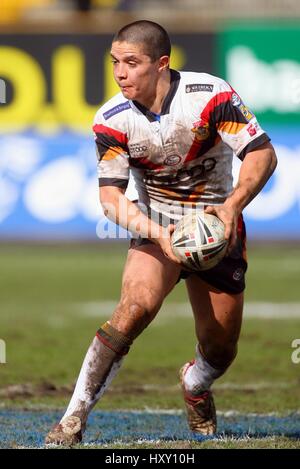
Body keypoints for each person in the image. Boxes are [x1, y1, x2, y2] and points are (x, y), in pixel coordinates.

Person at [45, 20, 277, 445]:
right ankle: (72, 419)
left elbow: (261, 153)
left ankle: (194, 384)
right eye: (115, 62)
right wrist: (159, 233)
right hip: (160, 225)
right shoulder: (112, 120)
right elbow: (112, 199)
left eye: (131, 63)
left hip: (217, 226)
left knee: (221, 348)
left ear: (162, 64)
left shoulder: (210, 96)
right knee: (133, 309)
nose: (120, 73)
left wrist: (231, 207)